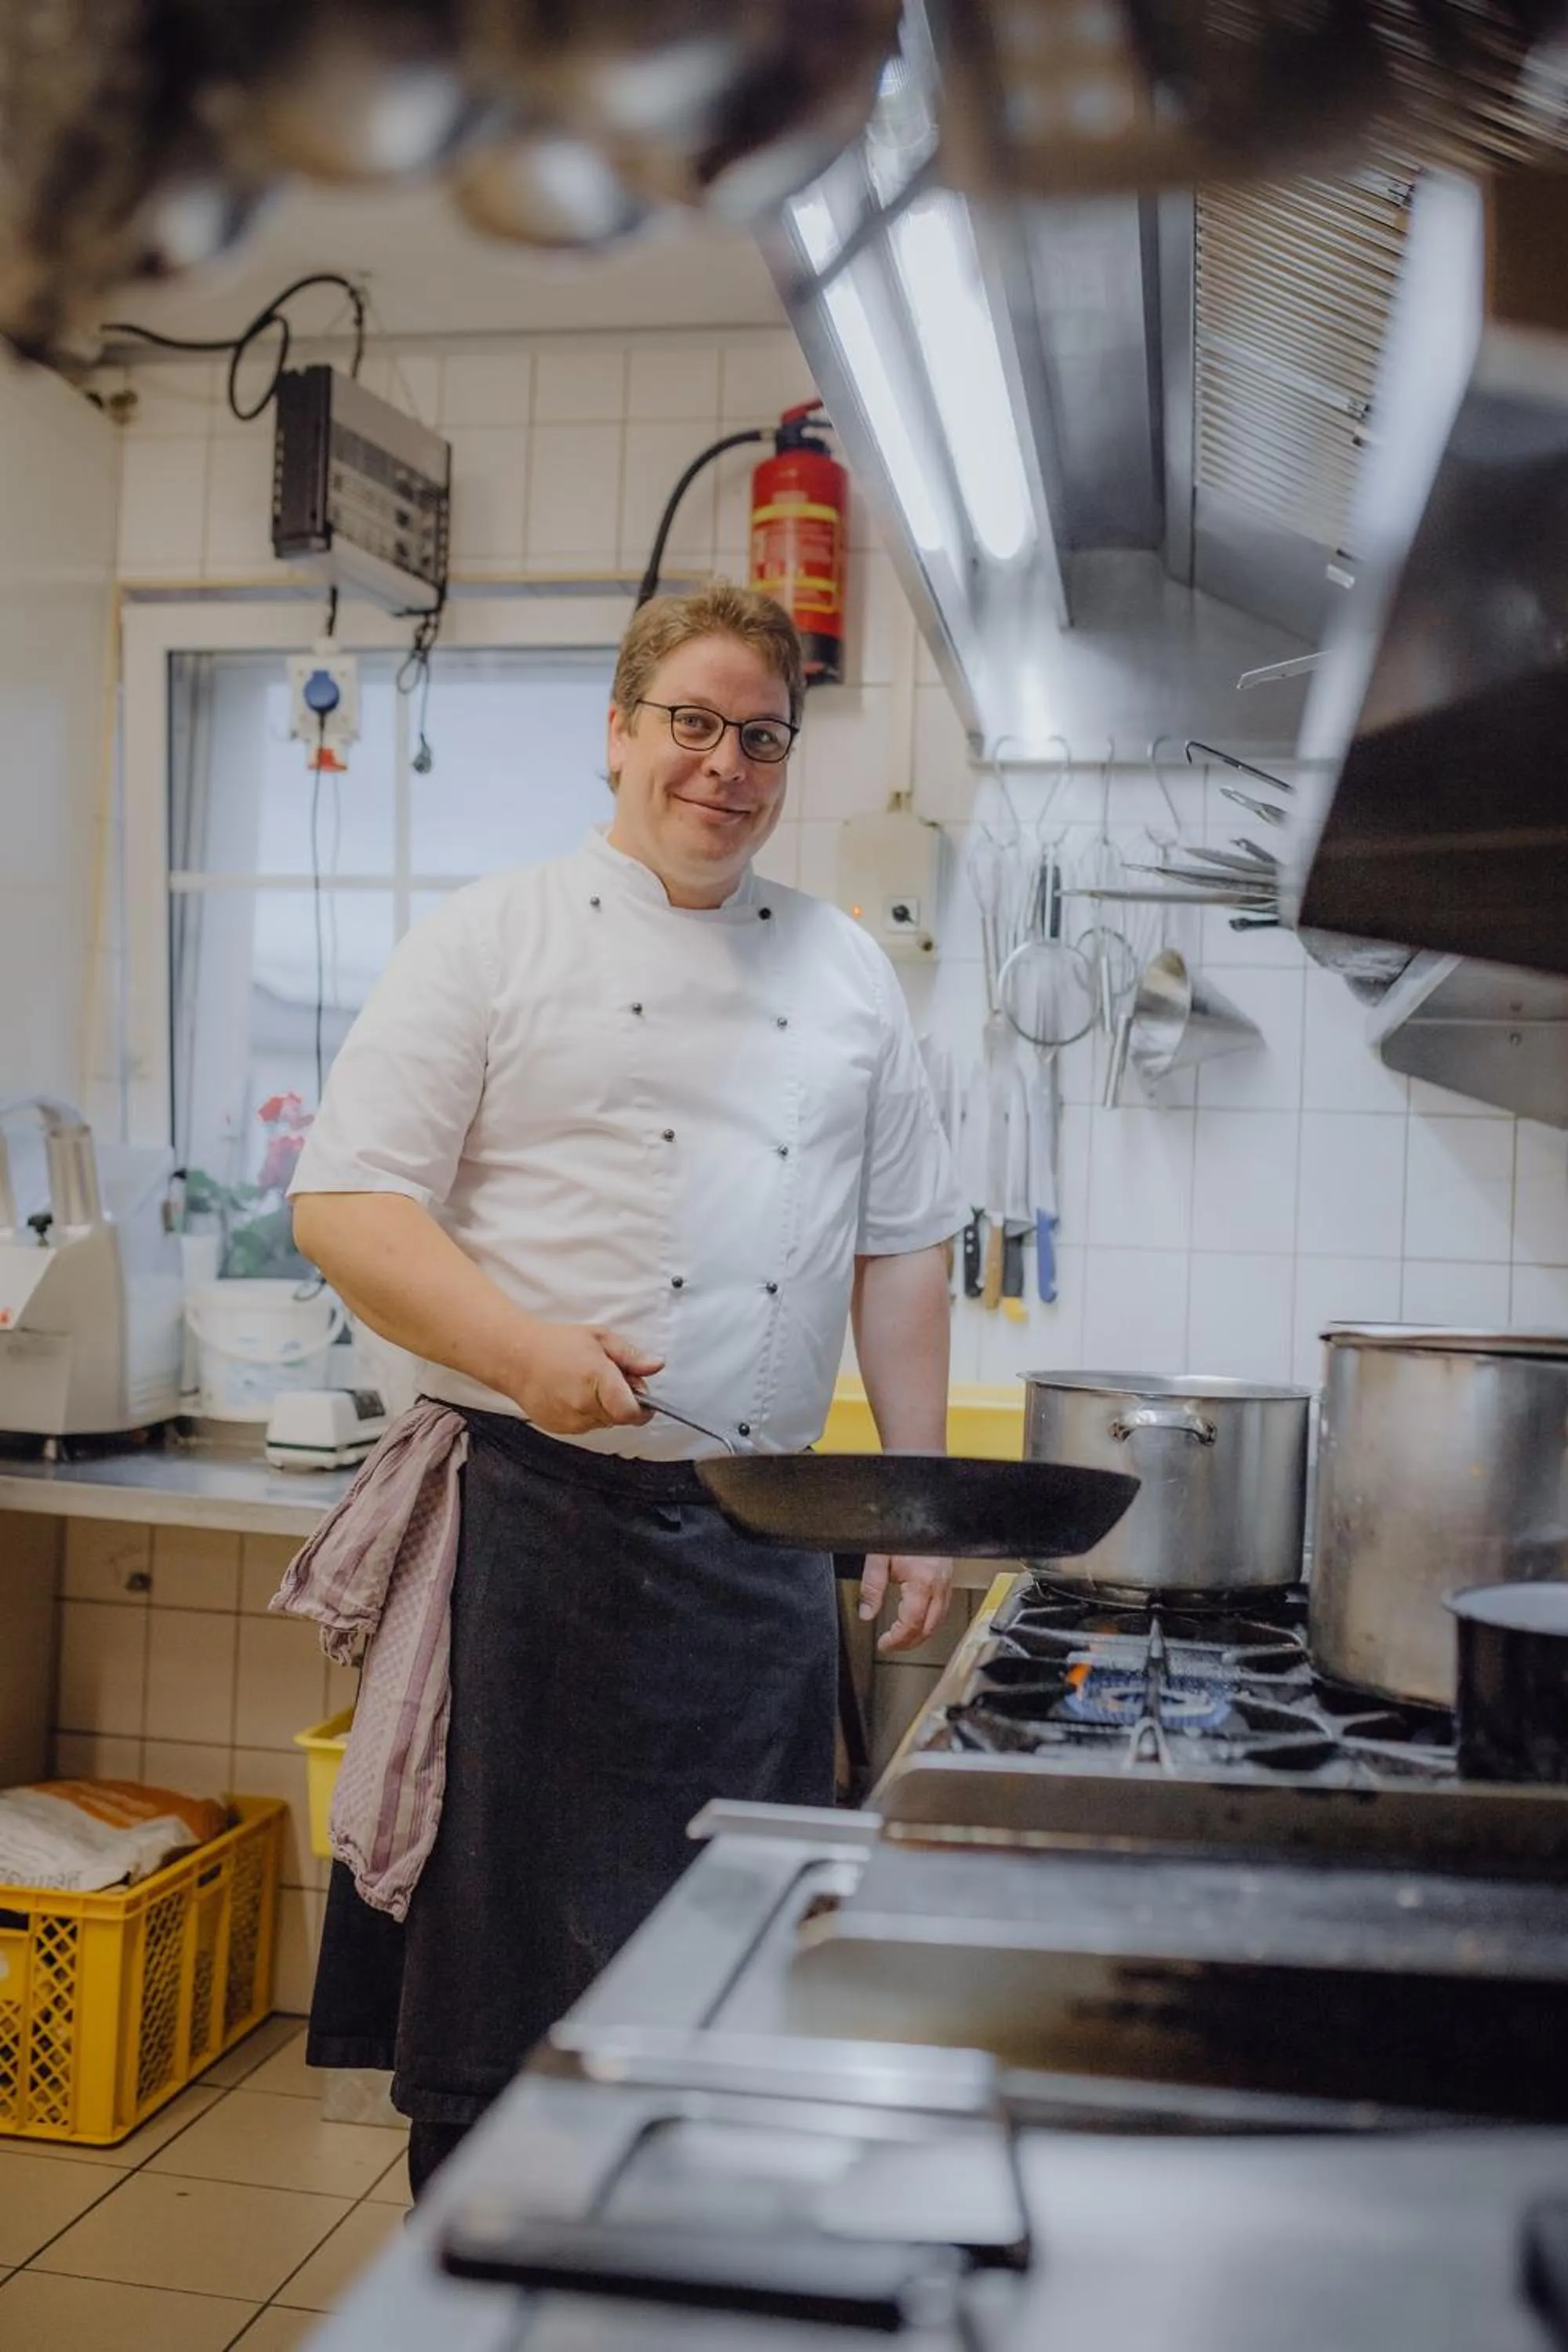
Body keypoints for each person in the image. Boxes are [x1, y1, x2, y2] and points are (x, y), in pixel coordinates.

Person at [287, 579, 961, 2194]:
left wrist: (913, 1501)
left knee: (740, 1990)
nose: (725, 765)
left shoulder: (848, 968)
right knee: (505, 2004)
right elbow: (348, 1202)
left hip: (762, 1552)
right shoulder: (490, 935)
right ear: (617, 734)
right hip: (534, 1535)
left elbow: (906, 1247)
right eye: (693, 724)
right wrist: (526, 1352)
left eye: (762, 737)